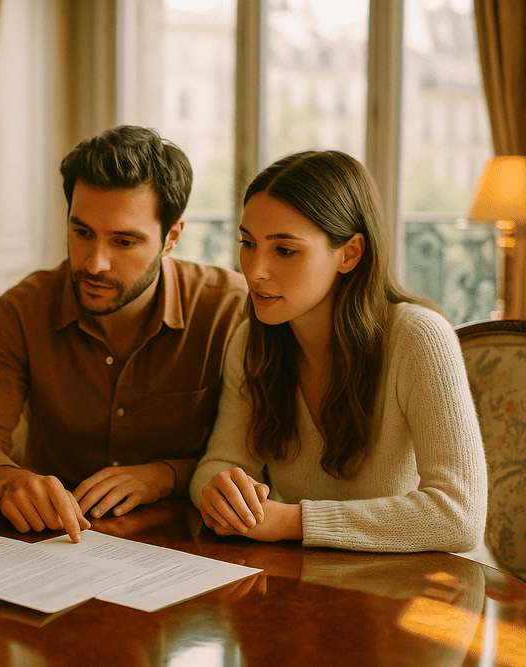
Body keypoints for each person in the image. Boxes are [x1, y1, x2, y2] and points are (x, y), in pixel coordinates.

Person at [0, 126, 248, 542]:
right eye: (82, 232)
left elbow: (257, 459)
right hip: (54, 542)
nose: (94, 264)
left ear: (171, 238)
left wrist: (165, 476)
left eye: (123, 241)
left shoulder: (230, 310)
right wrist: (6, 479)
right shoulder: (23, 309)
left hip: (192, 544)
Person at [190, 150, 487, 553]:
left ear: (349, 253)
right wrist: (218, 492)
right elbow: (221, 461)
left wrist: (294, 521)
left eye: (285, 250)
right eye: (248, 243)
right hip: (294, 589)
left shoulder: (419, 338)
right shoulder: (252, 340)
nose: (255, 269)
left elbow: (459, 515)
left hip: (400, 595)